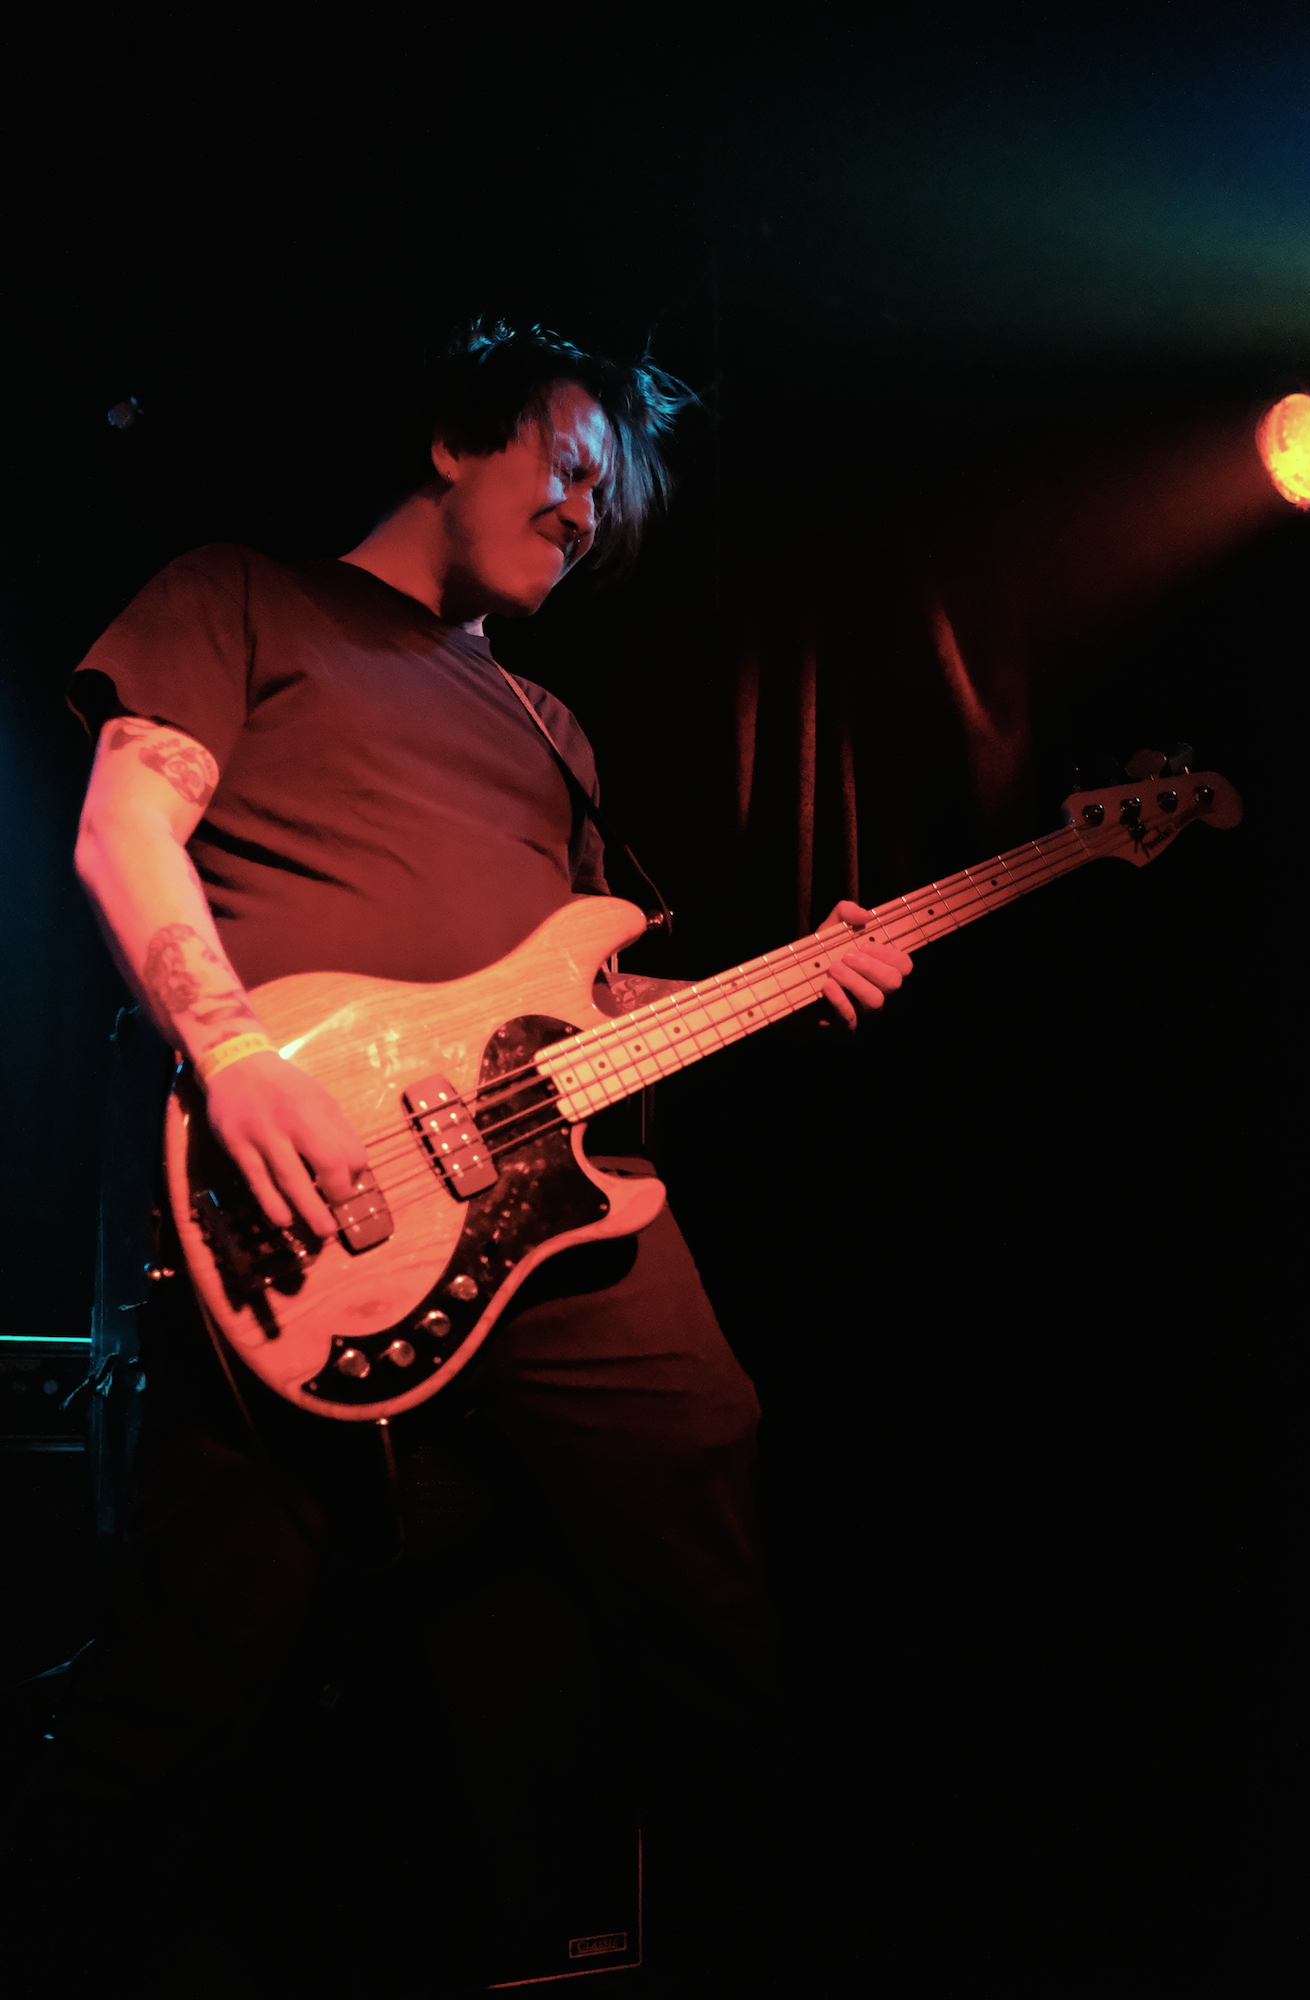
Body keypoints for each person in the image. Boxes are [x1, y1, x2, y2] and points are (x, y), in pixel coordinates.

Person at [45, 323, 913, 1995]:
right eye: (569, 466)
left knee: (707, 1527)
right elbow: (123, 824)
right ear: (456, 437)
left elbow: (574, 1008)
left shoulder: (549, 722)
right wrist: (234, 1056)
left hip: (538, 1211)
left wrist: (781, 984)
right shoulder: (244, 594)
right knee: (194, 1654)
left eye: (607, 501)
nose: (586, 514)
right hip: (307, 1188)